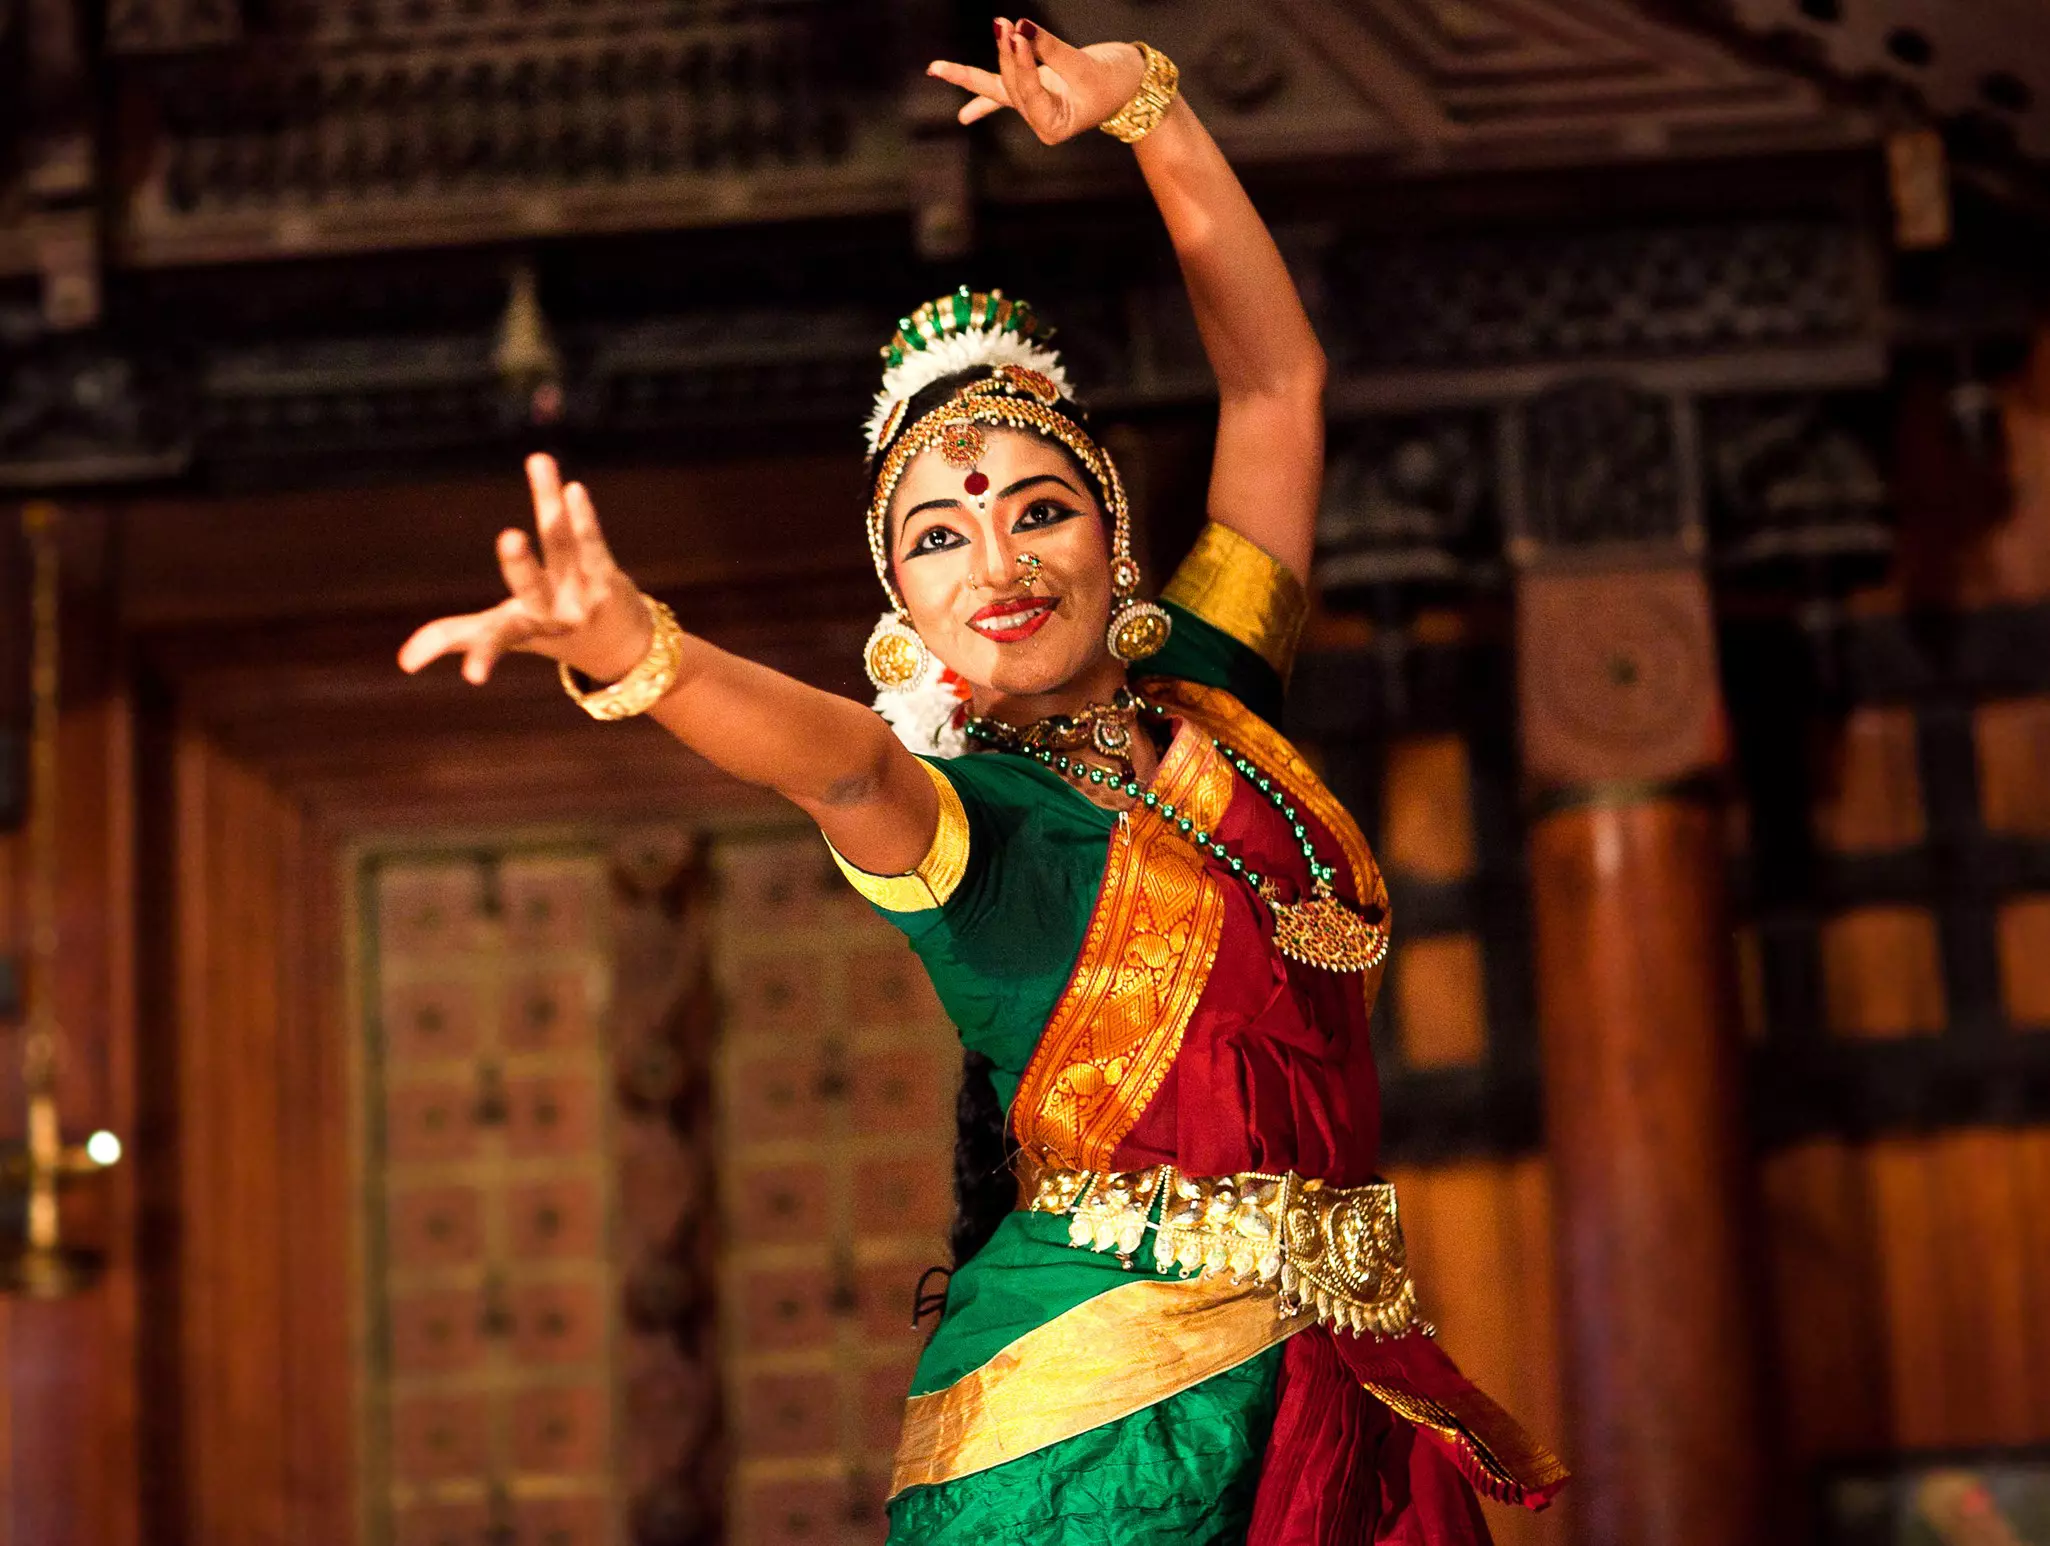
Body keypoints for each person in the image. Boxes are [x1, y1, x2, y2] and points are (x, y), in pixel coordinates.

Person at [400, 18, 1565, 1544]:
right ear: (901, 605)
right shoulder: (972, 825)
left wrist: (1149, 107)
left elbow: (1276, 387)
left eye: (1039, 510)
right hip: (1091, 1436)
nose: (999, 565)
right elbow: (839, 769)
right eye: (940, 539)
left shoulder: (1214, 691)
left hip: (1335, 1377)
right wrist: (638, 653)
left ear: (1114, 541)